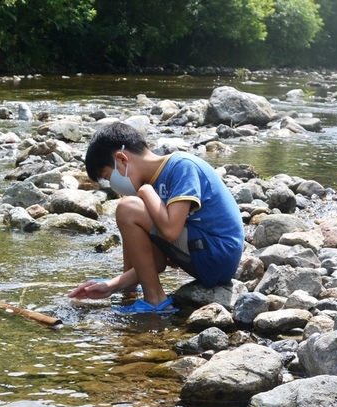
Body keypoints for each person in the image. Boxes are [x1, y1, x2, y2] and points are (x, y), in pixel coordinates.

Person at [67, 122, 244, 314]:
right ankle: (130, 289)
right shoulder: (152, 183)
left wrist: (146, 191)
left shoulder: (182, 166)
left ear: (122, 160)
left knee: (128, 208)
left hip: (217, 254)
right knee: (132, 207)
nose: (113, 185)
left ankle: (155, 299)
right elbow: (157, 262)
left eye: (109, 177)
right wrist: (112, 286)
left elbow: (170, 231)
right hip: (203, 254)